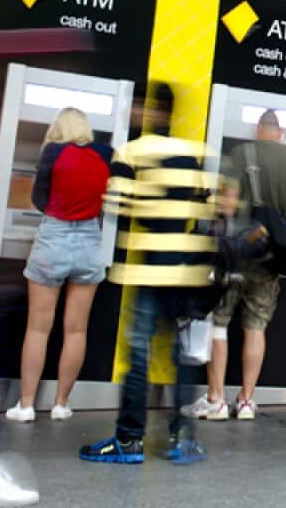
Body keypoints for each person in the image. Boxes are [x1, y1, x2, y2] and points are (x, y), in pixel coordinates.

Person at [78, 82, 216, 465]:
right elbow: (209, 208)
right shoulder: (194, 154)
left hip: (146, 268)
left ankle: (129, 440)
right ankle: (182, 439)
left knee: (138, 352)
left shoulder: (132, 152)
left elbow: (116, 202)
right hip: (184, 268)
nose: (132, 113)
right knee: (178, 355)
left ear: (148, 110)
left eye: (137, 107)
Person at [188, 109, 286, 421]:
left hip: (233, 256)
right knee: (256, 327)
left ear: (259, 129)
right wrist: (277, 226)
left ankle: (216, 400)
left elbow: (228, 205)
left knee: (219, 324)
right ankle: (245, 401)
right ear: (280, 132)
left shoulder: (241, 154)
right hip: (267, 261)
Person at [6, 107, 113, 423]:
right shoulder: (106, 153)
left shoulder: (52, 152)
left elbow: (39, 201)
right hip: (90, 240)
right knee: (77, 329)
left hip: (54, 238)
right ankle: (61, 404)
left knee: (38, 328)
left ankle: (25, 406)